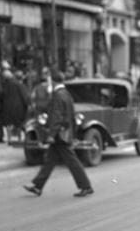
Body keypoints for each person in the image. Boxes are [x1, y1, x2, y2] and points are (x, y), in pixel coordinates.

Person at [23, 69, 93, 198]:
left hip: (59, 135)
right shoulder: (66, 93)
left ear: (53, 81)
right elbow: (71, 115)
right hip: (65, 133)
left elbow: (57, 117)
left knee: (72, 161)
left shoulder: (57, 95)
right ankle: (38, 186)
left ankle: (86, 186)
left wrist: (51, 135)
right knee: (50, 161)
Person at [0, 69, 31, 142]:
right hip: (18, 106)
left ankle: (9, 138)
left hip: (7, 106)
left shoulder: (5, 85)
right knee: (19, 123)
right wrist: (28, 104)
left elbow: (1, 94)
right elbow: (25, 96)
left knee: (8, 123)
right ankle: (19, 138)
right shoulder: (20, 85)